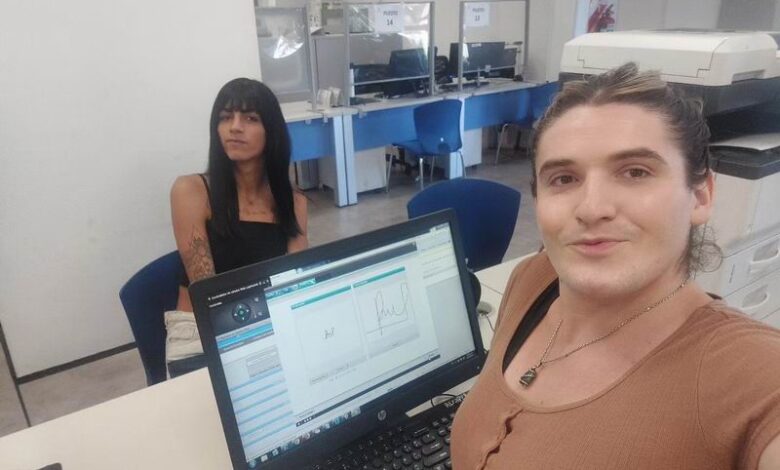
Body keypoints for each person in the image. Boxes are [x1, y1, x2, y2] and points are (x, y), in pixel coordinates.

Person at [451, 63, 780, 469]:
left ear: (700, 196)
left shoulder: (750, 374)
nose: (592, 208)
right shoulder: (533, 280)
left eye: (635, 172)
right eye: (563, 179)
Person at [166, 78, 307, 374]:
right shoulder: (191, 190)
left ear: (271, 130)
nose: (235, 127)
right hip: (199, 330)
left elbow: (295, 281)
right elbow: (208, 292)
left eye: (250, 118)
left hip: (265, 321)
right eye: (225, 117)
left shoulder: (292, 201)